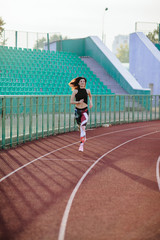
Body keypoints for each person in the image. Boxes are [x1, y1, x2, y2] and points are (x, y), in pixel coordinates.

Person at [69, 77, 93, 152]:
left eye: (83, 81)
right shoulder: (75, 91)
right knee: (80, 127)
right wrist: (78, 102)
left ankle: (81, 145)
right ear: (78, 83)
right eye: (81, 81)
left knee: (83, 126)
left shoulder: (87, 90)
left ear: (85, 83)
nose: (82, 82)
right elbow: (71, 101)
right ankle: (83, 136)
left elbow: (90, 96)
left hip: (85, 111)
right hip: (77, 111)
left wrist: (91, 102)